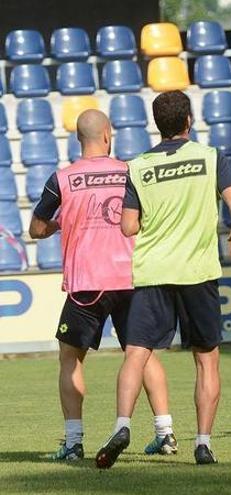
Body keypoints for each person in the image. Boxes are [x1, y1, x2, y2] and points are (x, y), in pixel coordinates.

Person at [95, 91, 231, 468]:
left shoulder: (139, 166)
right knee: (206, 360)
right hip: (197, 271)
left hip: (153, 271)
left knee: (137, 353)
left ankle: (122, 425)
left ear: (157, 124)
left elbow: (128, 226)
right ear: (189, 121)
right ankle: (203, 444)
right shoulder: (212, 158)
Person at [29, 110, 178, 461]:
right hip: (133, 277)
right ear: (108, 136)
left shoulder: (62, 179)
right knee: (143, 354)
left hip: (88, 282)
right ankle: (165, 433)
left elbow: (36, 229)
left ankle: (74, 441)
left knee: (70, 357)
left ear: (79, 138)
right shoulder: (131, 171)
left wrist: (56, 226)